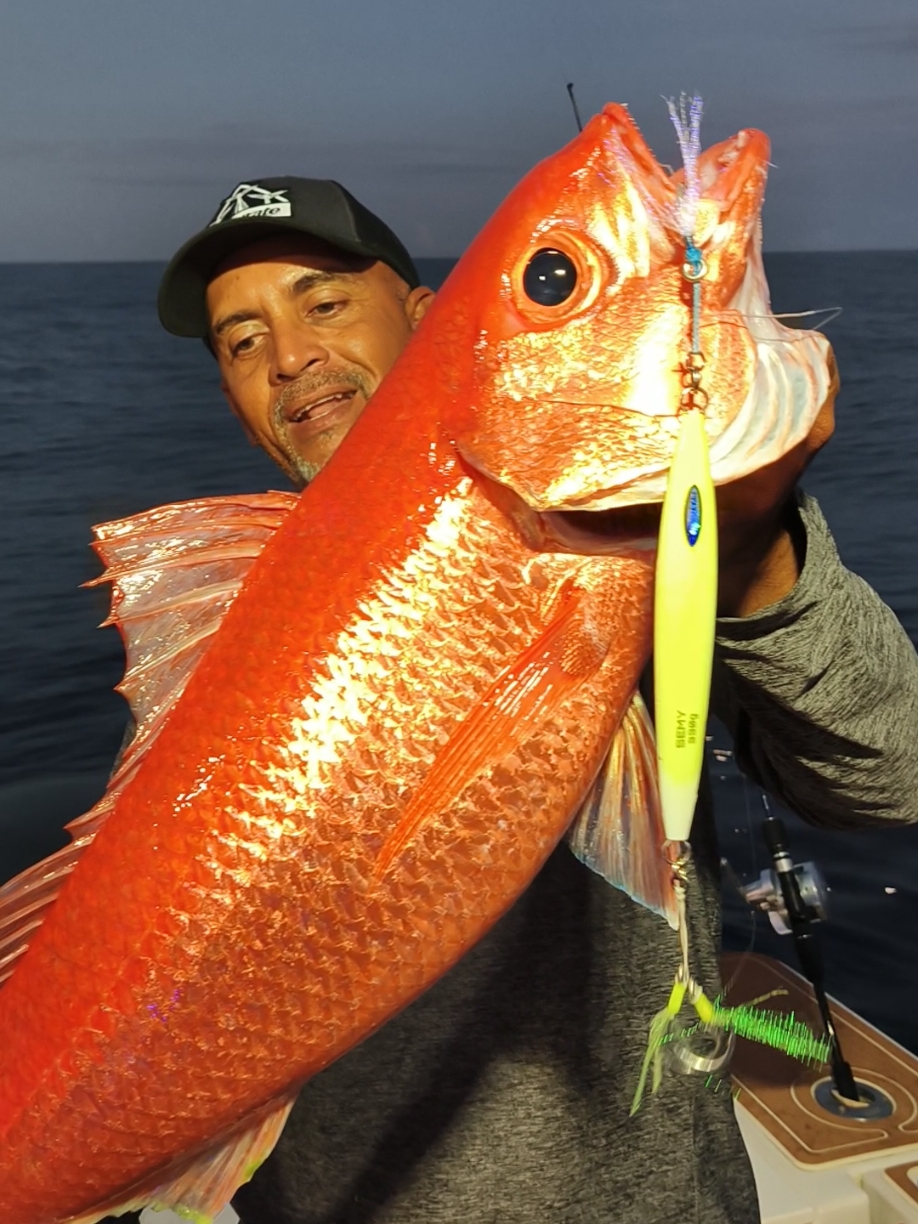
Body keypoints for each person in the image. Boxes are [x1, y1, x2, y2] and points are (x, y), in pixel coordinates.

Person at [124, 177, 918, 1224]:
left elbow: (892, 768)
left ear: (426, 317)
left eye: (323, 304)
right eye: (240, 339)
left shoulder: (626, 534)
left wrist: (756, 552)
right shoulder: (223, 621)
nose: (289, 357)